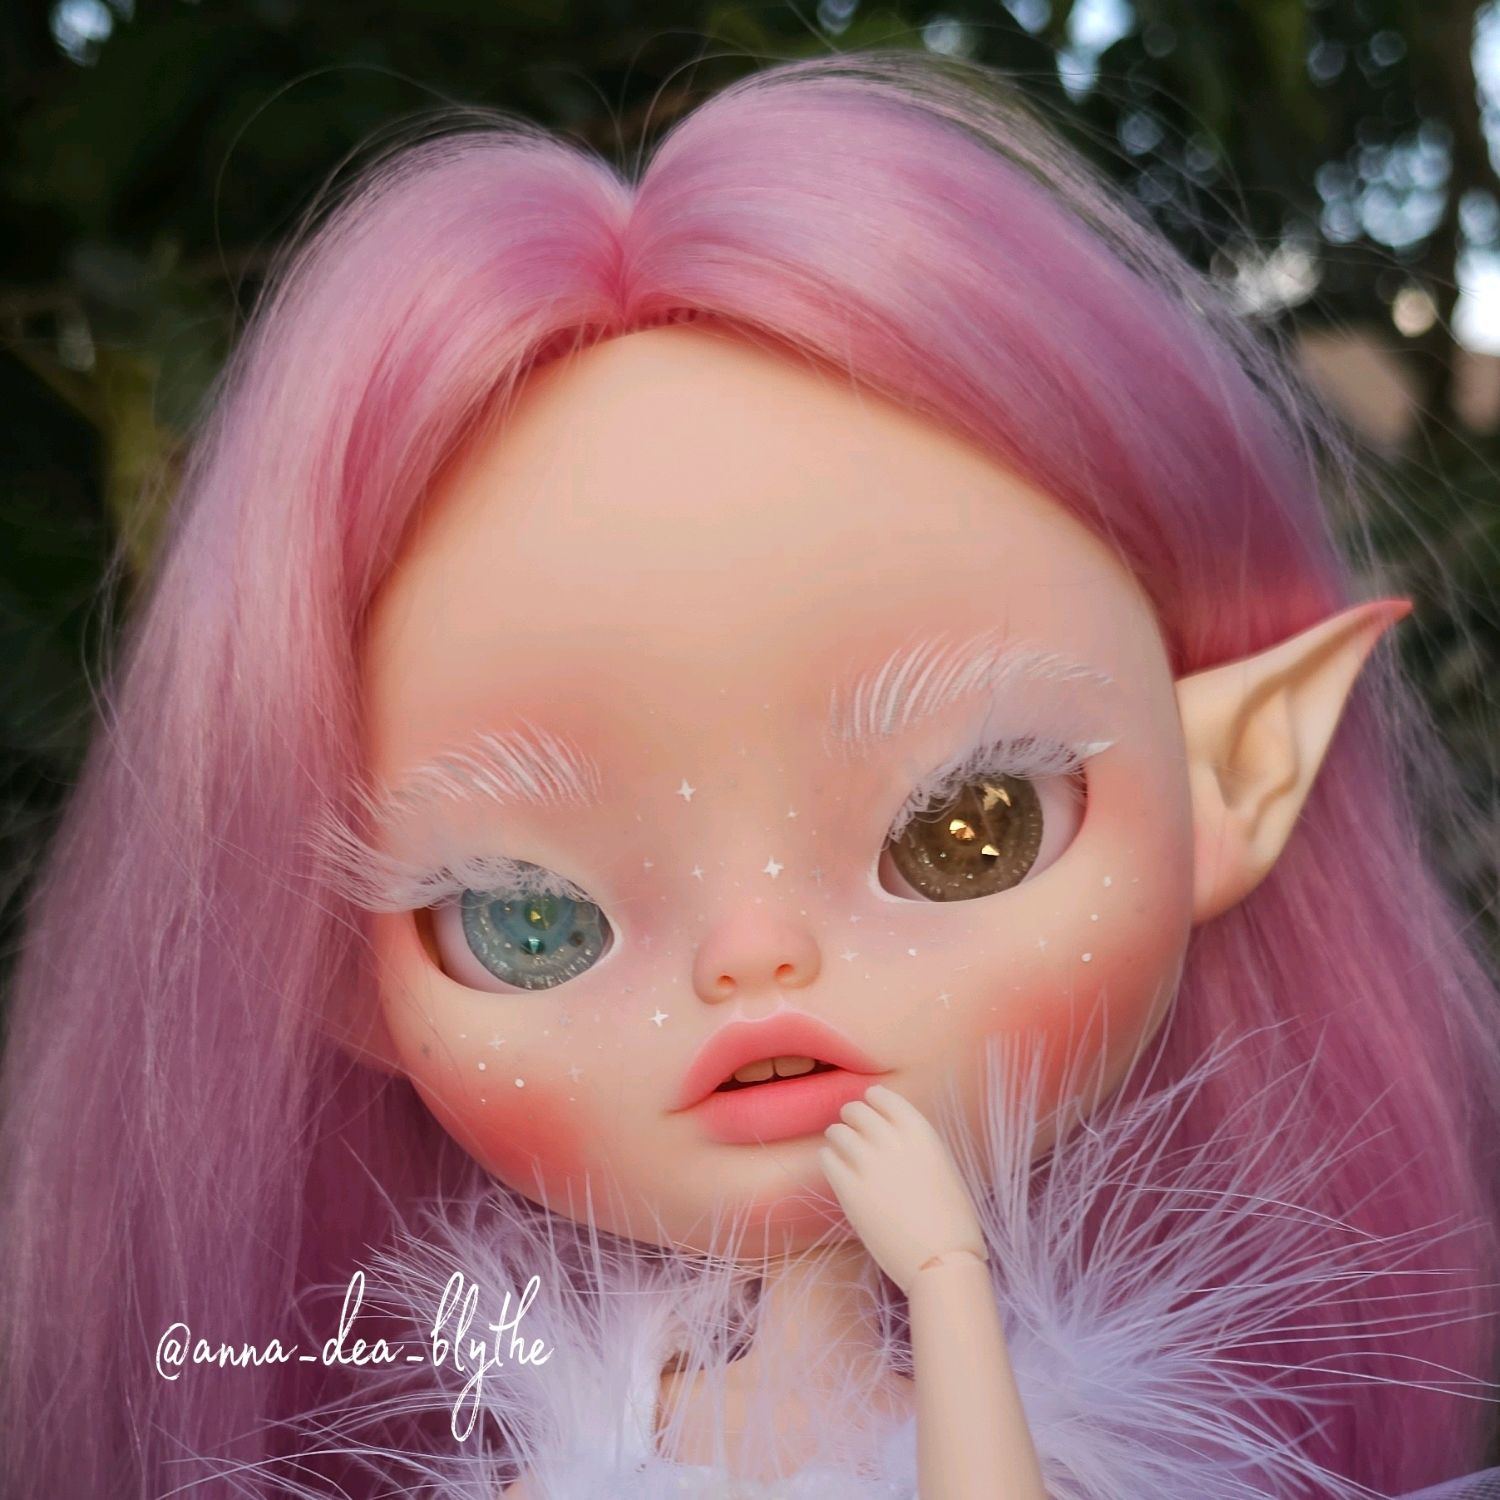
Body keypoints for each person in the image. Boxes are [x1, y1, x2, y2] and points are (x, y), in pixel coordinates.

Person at [2, 51, 1497, 1498]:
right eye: (532, 920)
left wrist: (946, 1280)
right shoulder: (608, 1417)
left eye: (966, 832)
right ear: (335, 975)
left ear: (1239, 768)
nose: (754, 962)